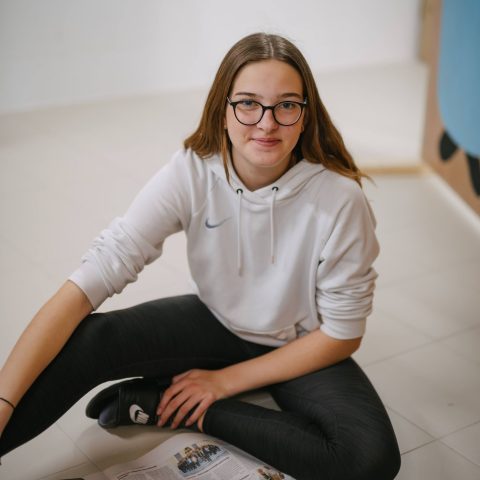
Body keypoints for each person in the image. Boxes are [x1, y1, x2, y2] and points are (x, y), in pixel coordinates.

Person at [0, 33, 401, 479]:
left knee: (369, 459)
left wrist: (222, 385)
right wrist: (3, 402)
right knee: (92, 338)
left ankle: (166, 405)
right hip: (214, 320)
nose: (267, 123)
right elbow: (87, 282)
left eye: (286, 105)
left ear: (305, 116)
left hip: (300, 343)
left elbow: (342, 334)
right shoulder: (192, 169)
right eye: (248, 103)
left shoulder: (340, 199)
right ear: (222, 110)